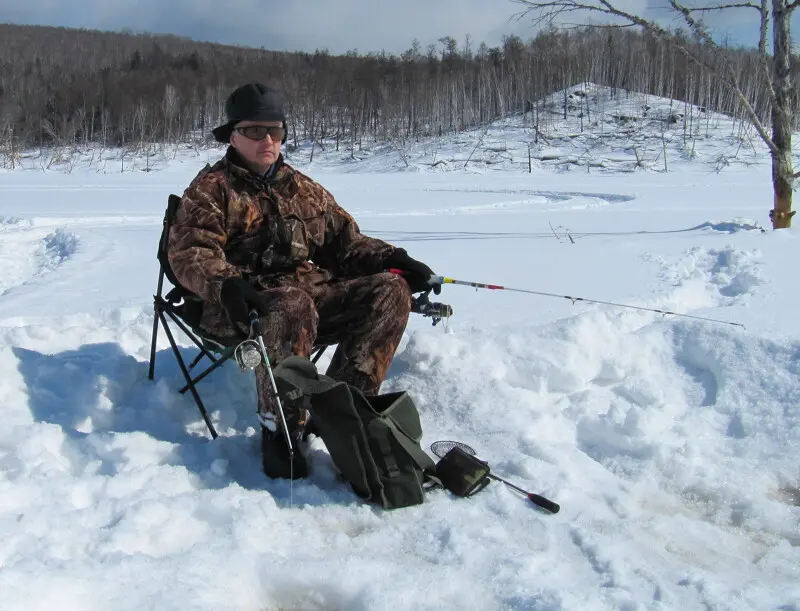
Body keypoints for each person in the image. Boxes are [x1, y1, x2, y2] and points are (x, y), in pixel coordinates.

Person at [167, 82, 441, 480]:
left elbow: (346, 242)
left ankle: (349, 409)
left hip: (306, 296)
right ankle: (282, 429)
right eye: (255, 131)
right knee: (291, 305)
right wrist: (226, 283)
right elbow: (191, 253)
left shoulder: (303, 188)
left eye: (275, 131)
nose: (268, 140)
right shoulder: (211, 190)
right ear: (233, 134)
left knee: (390, 290)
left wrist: (394, 259)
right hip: (239, 306)